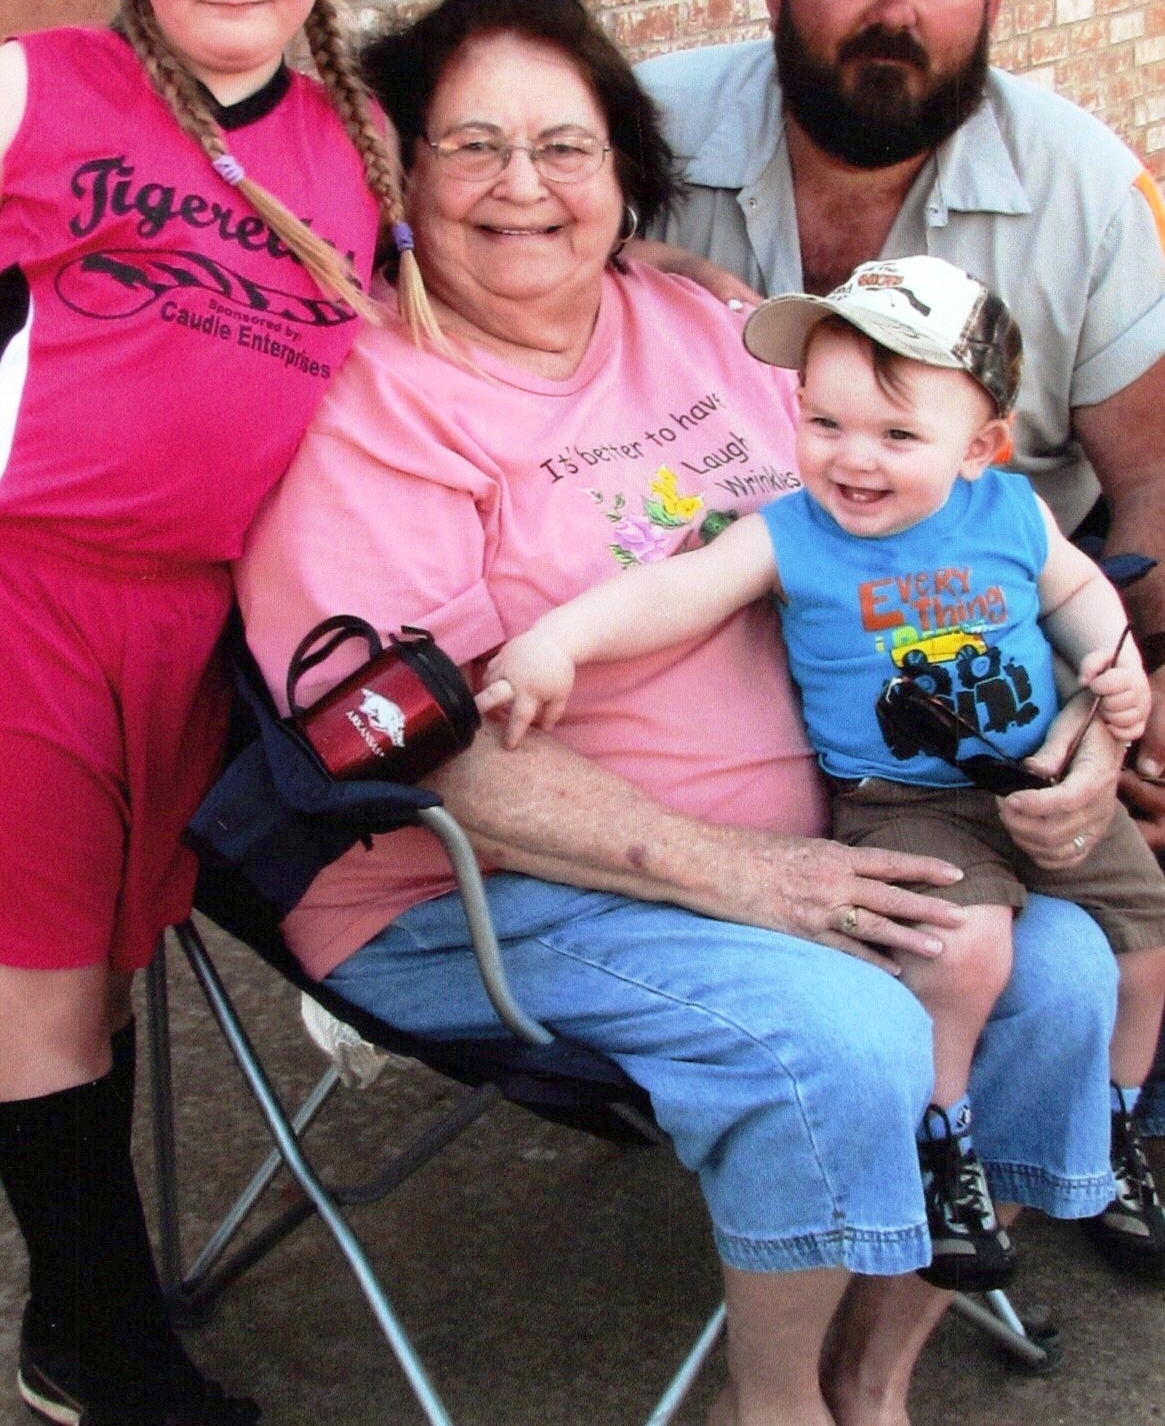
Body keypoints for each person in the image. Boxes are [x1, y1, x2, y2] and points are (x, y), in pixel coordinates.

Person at [236, 0, 1124, 1426]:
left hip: (850, 820)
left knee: (1066, 974)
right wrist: (744, 874)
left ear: (624, 169)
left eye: (565, 145)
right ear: (398, 172)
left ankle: (871, 1376)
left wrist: (1076, 735)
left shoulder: (711, 328)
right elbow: (423, 749)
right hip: (491, 886)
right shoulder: (365, 406)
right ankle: (770, 1405)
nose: (524, 186)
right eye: (472, 146)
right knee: (848, 1032)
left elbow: (945, 542)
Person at [478, 253, 1165, 1285]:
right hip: (904, 801)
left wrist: (1113, 671)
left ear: (979, 447)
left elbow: (1075, 592)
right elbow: (675, 592)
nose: (852, 458)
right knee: (962, 950)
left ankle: (1113, 1127)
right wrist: (557, 642)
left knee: (1145, 942)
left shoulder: (1010, 513)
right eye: (824, 422)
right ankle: (941, 1143)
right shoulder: (792, 534)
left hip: (1037, 777)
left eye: (896, 436)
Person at [0, 0, 418, 1426]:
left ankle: (75, 1308)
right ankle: (108, 1356)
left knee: (99, 977)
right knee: (37, 983)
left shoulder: (358, 141)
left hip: (205, 623)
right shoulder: (36, 87)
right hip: (32, 594)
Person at [636, 0, 1165, 858]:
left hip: (997, 679)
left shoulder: (1086, 188)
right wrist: (653, 263)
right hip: (702, 691)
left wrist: (1135, 691)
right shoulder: (641, 136)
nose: (895, 12)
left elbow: (1152, 474)